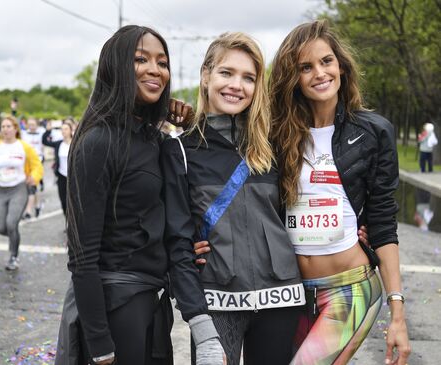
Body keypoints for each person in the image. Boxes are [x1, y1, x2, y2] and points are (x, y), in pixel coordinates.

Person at [57, 25, 224, 365]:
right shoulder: (97, 141)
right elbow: (82, 255)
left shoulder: (153, 140)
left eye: (162, 62)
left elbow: (180, 193)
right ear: (115, 66)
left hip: (152, 302)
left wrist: (191, 124)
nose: (155, 69)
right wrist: (100, 343)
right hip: (114, 307)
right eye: (140, 59)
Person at [269, 20, 410, 364]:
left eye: (326, 61)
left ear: (341, 66)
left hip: (351, 289)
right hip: (289, 292)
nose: (319, 73)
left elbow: (382, 221)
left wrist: (398, 314)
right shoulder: (276, 133)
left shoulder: (373, 131)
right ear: (293, 78)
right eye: (306, 67)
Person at [163, 32, 304, 365]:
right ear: (206, 76)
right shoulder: (179, 150)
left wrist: (361, 225)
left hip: (279, 302)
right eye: (227, 73)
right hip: (216, 303)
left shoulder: (275, 146)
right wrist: (197, 317)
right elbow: (176, 241)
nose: (236, 85)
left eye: (249, 78)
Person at [0, 115, 43, 270]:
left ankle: (13, 256)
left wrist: (34, 177)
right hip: (0, 191)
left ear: (16, 129)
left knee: (11, 223)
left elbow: (37, 166)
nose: (6, 129)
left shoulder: (24, 146)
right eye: (3, 127)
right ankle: (14, 237)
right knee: (1, 228)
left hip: (19, 189)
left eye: (9, 126)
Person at [42, 119, 72, 216]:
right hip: (62, 177)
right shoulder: (58, 144)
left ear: (71, 130)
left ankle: (75, 223)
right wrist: (48, 131)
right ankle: (67, 222)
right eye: (62, 129)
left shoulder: (76, 142)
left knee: (73, 201)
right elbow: (45, 141)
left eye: (66, 129)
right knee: (63, 201)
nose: (63, 131)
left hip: (74, 177)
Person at [22, 117, 46, 218]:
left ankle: (29, 210)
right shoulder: (24, 134)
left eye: (33, 124)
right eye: (29, 125)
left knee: (32, 184)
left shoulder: (42, 133)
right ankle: (37, 206)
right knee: (32, 186)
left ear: (37, 125)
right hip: (26, 162)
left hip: (38, 161)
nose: (31, 127)